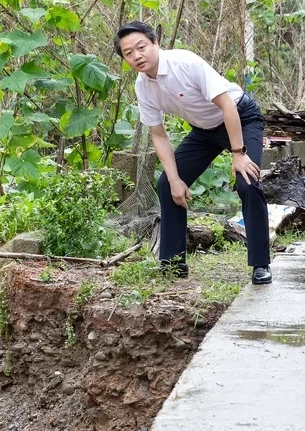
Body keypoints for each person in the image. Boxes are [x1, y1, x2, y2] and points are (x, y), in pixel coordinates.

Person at [116, 21, 272, 284]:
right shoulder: (143, 86)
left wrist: (238, 153)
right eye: (128, 53)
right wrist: (176, 179)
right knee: (168, 183)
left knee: (247, 180)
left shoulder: (185, 63)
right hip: (203, 130)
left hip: (240, 117)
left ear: (155, 43)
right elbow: (158, 134)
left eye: (141, 47)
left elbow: (227, 106)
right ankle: (173, 263)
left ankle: (260, 264)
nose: (136, 56)